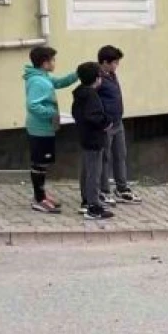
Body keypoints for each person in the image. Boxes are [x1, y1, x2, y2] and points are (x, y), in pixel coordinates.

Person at [23, 46, 78, 214]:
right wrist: (52, 114)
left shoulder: (43, 77)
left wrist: (77, 74)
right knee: (39, 164)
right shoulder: (38, 81)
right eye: (53, 60)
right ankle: (39, 200)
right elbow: (33, 105)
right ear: (44, 63)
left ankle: (42, 195)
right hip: (40, 129)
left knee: (42, 163)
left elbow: (60, 82)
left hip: (45, 128)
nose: (55, 63)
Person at [71, 62, 116, 220]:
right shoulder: (91, 95)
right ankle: (94, 207)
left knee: (87, 171)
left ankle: (86, 201)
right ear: (97, 79)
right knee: (94, 173)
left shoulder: (79, 94)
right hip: (94, 139)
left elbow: (78, 115)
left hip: (85, 137)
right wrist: (106, 122)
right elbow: (94, 116)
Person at [97, 46, 140, 206]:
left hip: (118, 122)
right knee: (104, 158)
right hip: (106, 126)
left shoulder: (112, 75)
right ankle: (103, 190)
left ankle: (122, 189)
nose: (117, 65)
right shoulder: (98, 77)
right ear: (104, 62)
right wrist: (102, 121)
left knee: (120, 155)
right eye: (114, 62)